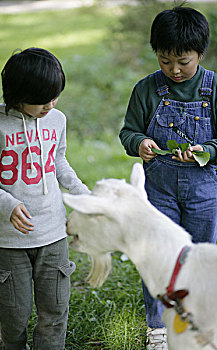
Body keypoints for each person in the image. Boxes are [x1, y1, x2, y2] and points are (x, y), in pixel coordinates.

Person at [119, 6, 217, 350]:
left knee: (202, 256)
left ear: (200, 53)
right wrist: (140, 142)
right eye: (165, 61)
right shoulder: (146, 90)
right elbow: (128, 132)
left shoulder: (213, 88)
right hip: (159, 189)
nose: (174, 70)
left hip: (205, 192)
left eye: (183, 62)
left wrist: (205, 149)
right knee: (158, 256)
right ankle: (158, 327)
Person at [0, 47, 90, 350]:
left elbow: (58, 162)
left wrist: (83, 195)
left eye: (54, 97)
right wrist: (7, 203)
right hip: (11, 241)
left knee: (55, 311)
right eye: (41, 100)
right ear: (17, 95)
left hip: (54, 234)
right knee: (14, 315)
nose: (50, 105)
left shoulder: (56, 120)